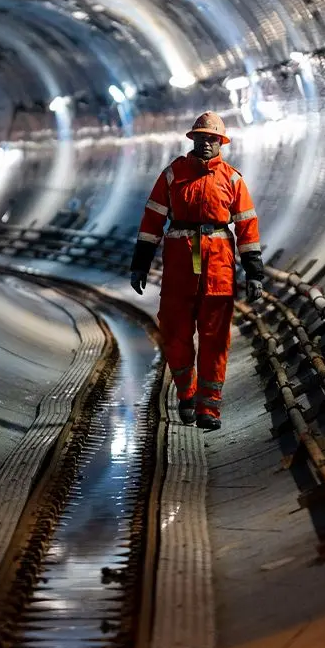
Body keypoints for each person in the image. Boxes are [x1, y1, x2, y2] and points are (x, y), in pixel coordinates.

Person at [129, 111, 263, 431]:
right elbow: (152, 221)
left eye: (212, 139)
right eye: (201, 138)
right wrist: (140, 263)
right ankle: (186, 393)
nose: (206, 144)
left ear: (221, 143)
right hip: (179, 270)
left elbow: (247, 227)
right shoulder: (174, 174)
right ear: (193, 140)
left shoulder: (232, 179)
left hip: (218, 271)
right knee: (175, 335)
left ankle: (209, 410)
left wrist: (254, 272)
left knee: (215, 341)